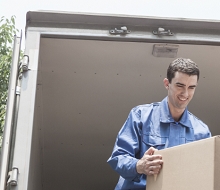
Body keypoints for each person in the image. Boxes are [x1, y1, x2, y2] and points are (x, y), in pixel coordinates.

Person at [107, 58, 211, 190]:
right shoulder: (140, 116)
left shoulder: (202, 132)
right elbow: (118, 158)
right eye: (180, 86)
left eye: (191, 87)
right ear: (167, 84)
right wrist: (139, 165)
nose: (185, 93)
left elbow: (205, 175)